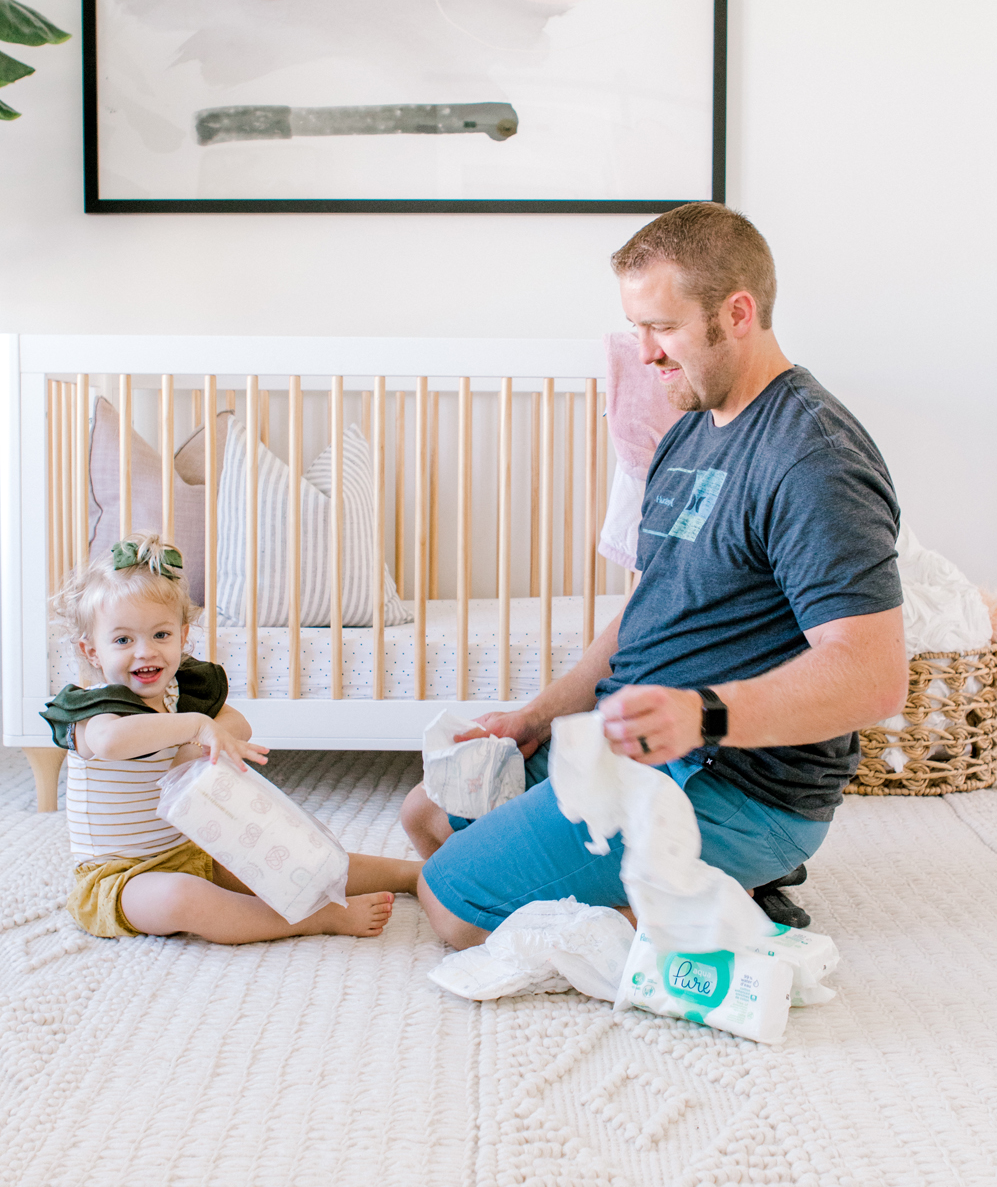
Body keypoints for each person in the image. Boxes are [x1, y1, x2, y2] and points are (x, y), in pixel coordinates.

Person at [403, 202, 909, 948]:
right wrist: (537, 716)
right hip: (631, 746)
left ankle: (723, 903)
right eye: (635, 327)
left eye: (662, 328)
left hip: (733, 782)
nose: (644, 354)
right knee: (424, 816)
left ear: (738, 313)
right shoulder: (691, 431)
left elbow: (873, 675)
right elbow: (650, 609)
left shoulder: (814, 461)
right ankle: (681, 882)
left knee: (453, 909)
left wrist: (702, 715)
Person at [44, 534, 419, 943]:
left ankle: (410, 874)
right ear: (92, 651)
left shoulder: (177, 694)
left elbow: (236, 722)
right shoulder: (95, 709)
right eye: (123, 640)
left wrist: (198, 743)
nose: (145, 651)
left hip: (192, 851)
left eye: (160, 635)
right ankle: (312, 919)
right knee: (183, 897)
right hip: (120, 880)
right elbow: (111, 741)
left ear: (183, 635)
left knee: (287, 852)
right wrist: (195, 727)